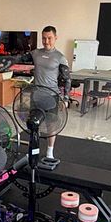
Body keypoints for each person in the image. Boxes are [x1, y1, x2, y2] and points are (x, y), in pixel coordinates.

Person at [17, 26, 71, 159]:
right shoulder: (35, 53)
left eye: (49, 38)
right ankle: (34, 149)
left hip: (52, 96)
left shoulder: (60, 57)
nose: (46, 41)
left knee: (51, 125)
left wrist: (65, 97)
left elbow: (67, 79)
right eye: (44, 38)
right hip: (36, 95)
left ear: (56, 38)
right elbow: (19, 59)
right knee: (33, 124)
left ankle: (49, 152)